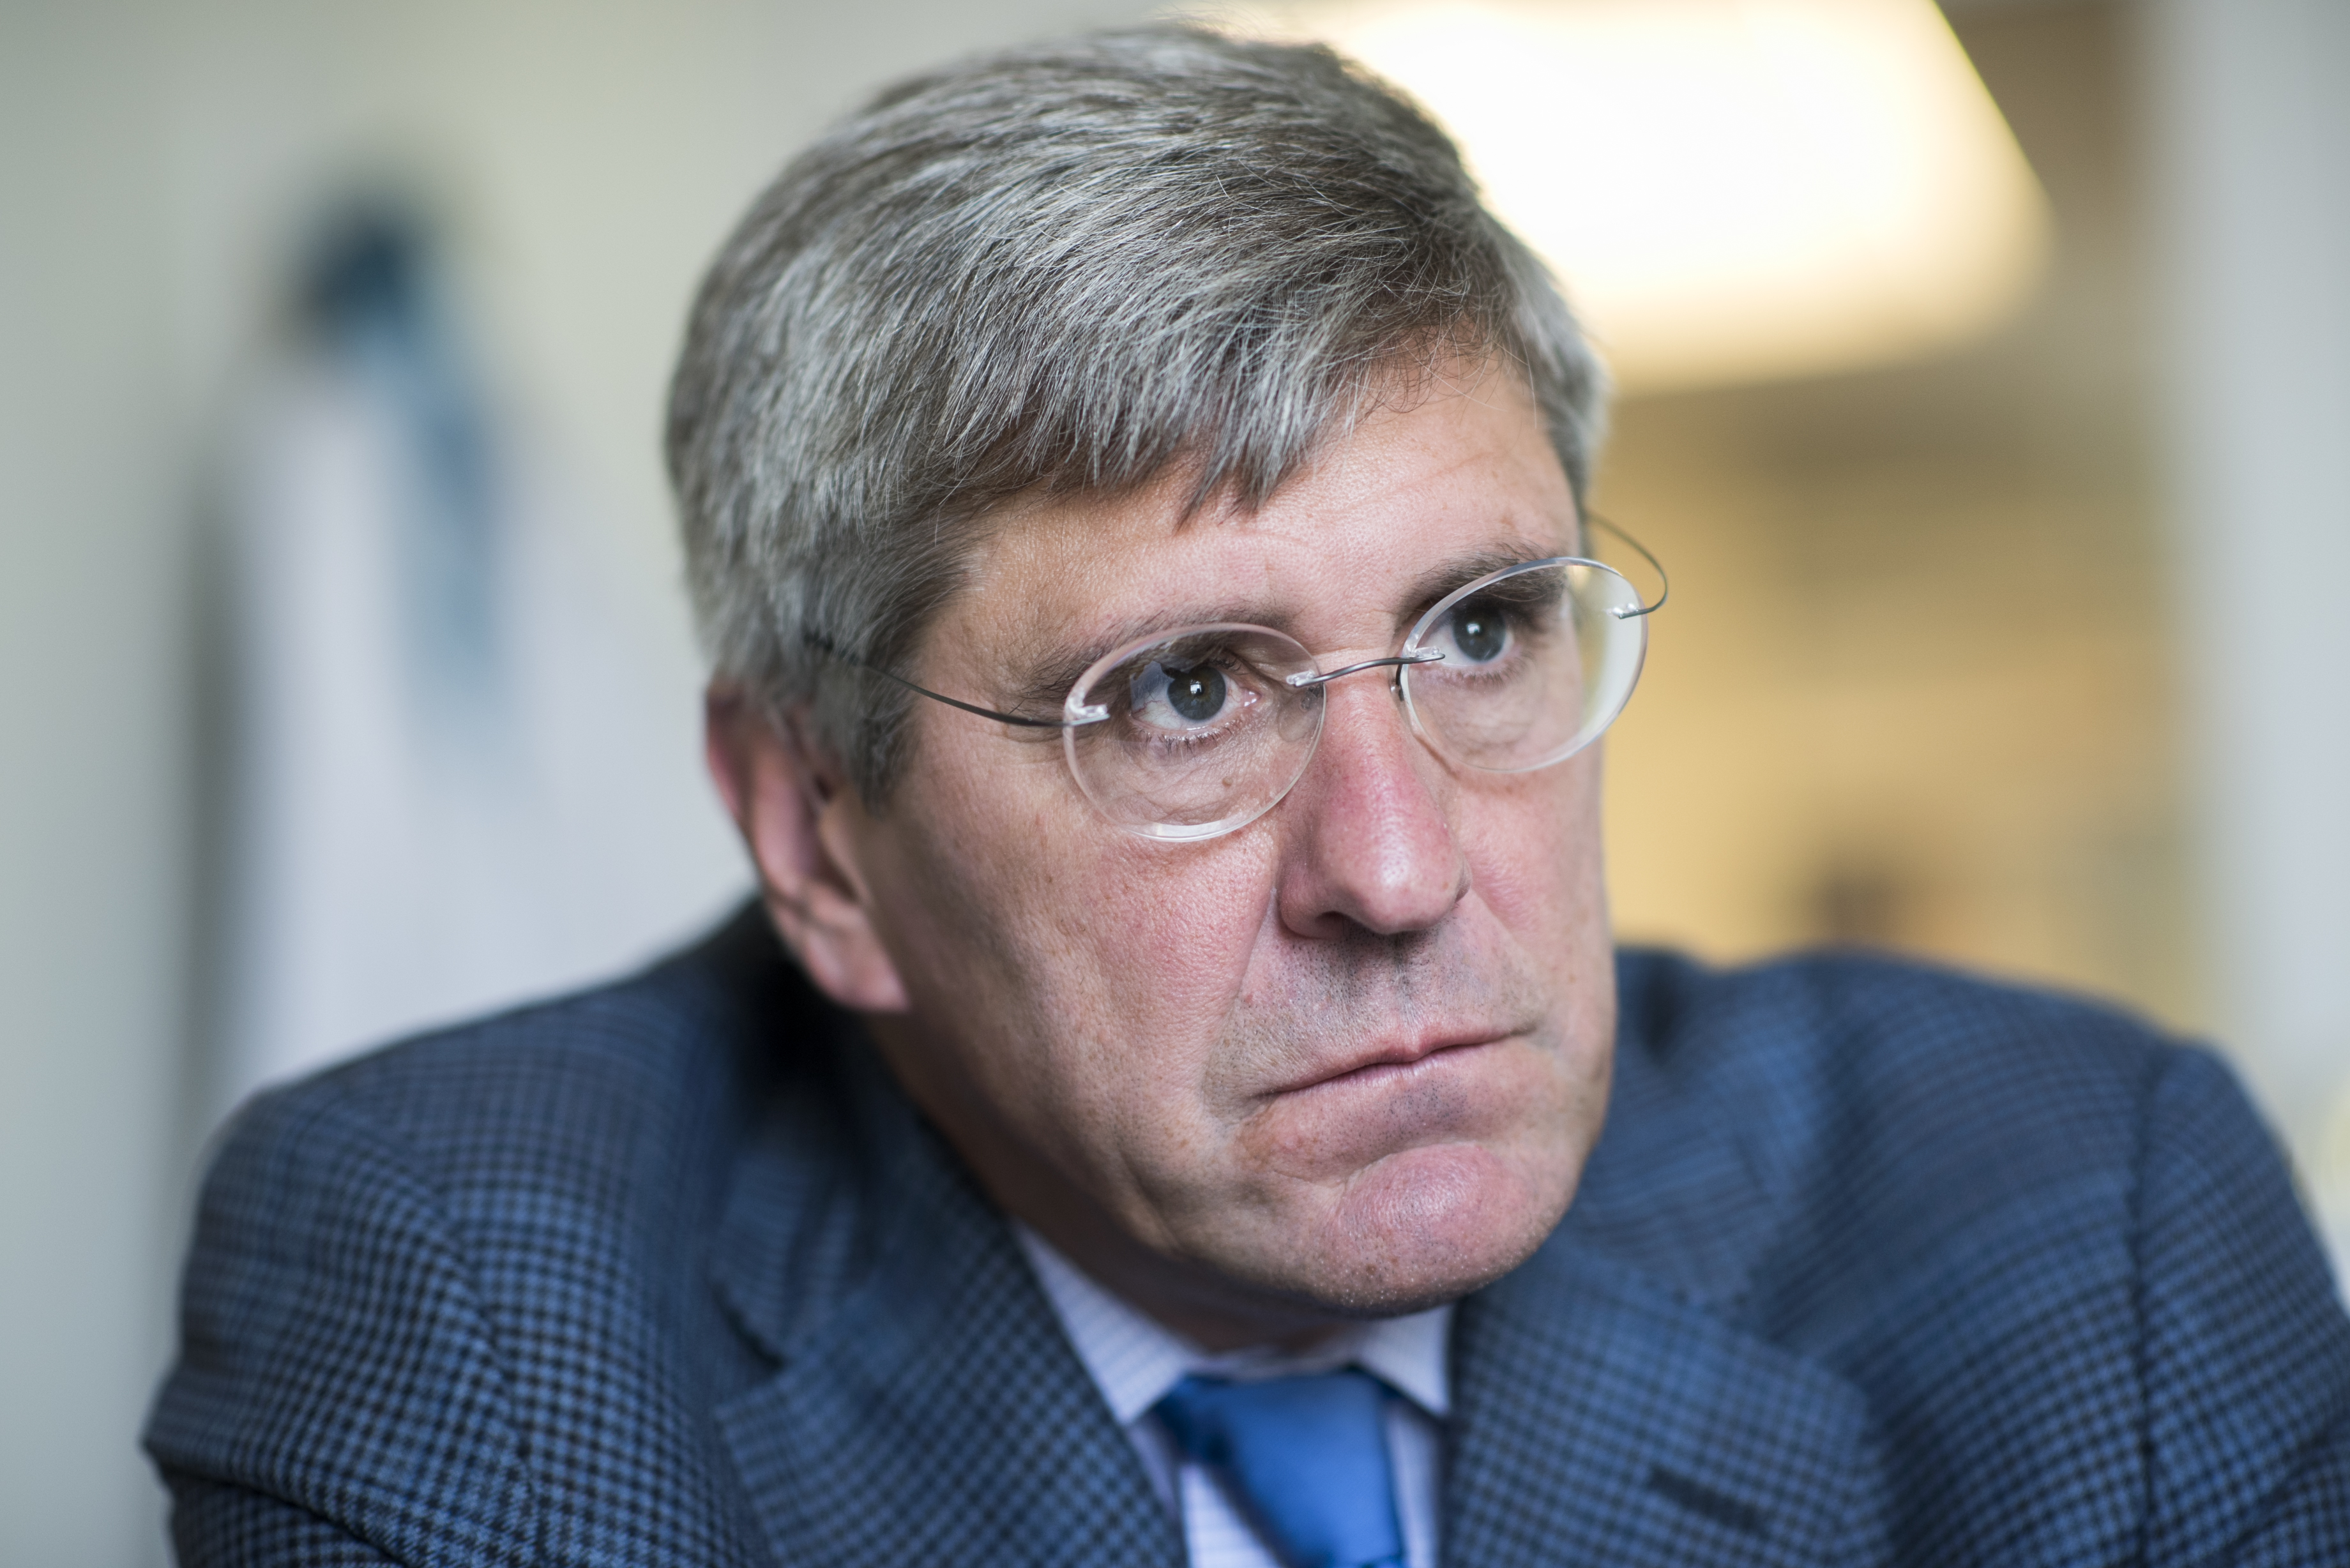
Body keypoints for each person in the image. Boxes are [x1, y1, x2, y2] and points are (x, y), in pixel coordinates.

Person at [146, 25, 2349, 1567]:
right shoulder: (467, 1293)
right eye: (1185, 693)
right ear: (821, 833)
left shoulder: (2083, 1216)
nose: (1400, 870)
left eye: (1484, 628)